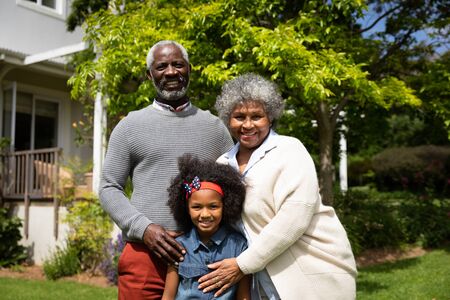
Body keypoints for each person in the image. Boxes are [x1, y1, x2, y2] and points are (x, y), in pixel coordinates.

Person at [197, 73, 357, 300]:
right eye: (239, 117)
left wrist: (242, 264)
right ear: (228, 120)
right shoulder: (222, 164)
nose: (248, 125)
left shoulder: (290, 150)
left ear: (270, 118)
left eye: (257, 116)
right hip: (259, 280)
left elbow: (294, 217)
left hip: (312, 272)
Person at [99, 40, 234, 299]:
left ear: (189, 70)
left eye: (177, 64)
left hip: (202, 258)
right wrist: (144, 228)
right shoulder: (130, 126)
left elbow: (233, 187)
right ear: (150, 74)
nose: (171, 72)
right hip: (143, 257)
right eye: (161, 66)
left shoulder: (215, 128)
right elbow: (108, 187)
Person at [162, 154, 250, 300]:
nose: (205, 214)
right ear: (186, 208)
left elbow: (244, 296)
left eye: (213, 206)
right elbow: (168, 296)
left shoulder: (239, 246)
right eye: (197, 207)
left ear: (226, 206)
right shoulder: (179, 247)